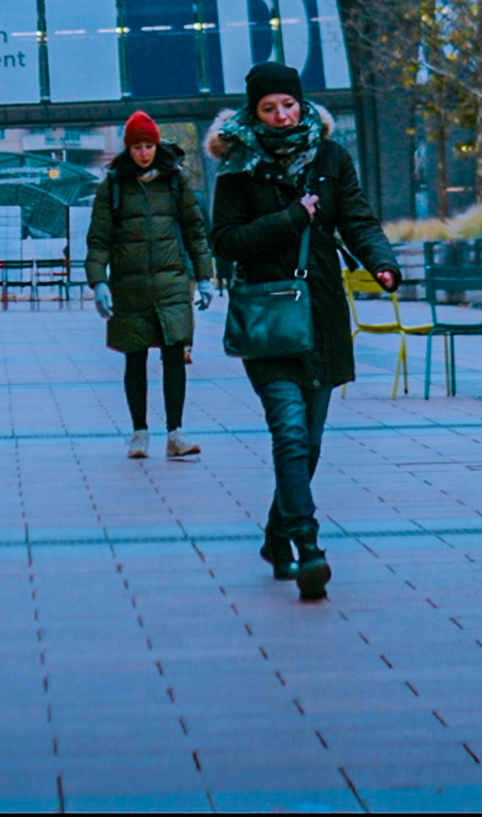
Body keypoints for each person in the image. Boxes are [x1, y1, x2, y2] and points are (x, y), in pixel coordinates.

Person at [209, 62, 400, 601]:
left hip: (322, 318)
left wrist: (381, 262)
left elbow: (356, 219)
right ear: (254, 113)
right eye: (268, 108)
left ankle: (276, 536)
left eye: (288, 105)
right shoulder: (237, 166)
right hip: (269, 321)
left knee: (309, 444)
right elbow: (225, 241)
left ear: (302, 104)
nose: (281, 115)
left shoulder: (331, 158)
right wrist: (293, 218)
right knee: (290, 434)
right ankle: (307, 545)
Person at [88, 110, 215, 462]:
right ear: (127, 149)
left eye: (148, 146)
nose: (143, 153)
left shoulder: (175, 181)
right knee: (136, 358)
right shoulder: (113, 186)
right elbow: (98, 239)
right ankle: (139, 432)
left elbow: (194, 232)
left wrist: (204, 276)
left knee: (174, 355)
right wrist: (98, 282)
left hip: (171, 283)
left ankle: (176, 433)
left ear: (157, 145)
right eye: (137, 147)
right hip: (129, 286)